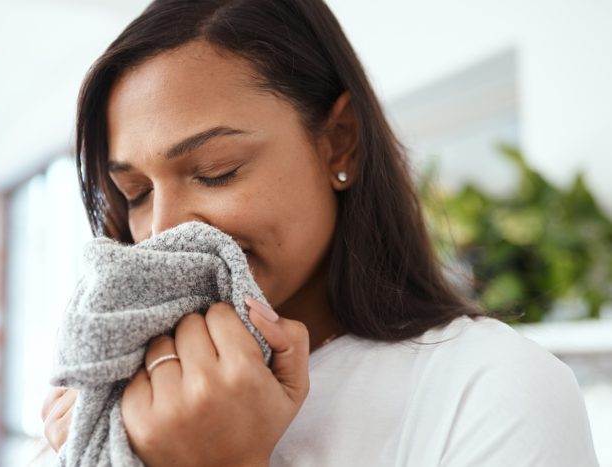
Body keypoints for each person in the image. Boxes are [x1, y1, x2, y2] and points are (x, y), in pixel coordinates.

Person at [41, 0, 600, 465]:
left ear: (339, 142)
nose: (161, 232)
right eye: (136, 193)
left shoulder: (494, 389)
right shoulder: (108, 407)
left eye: (216, 171)